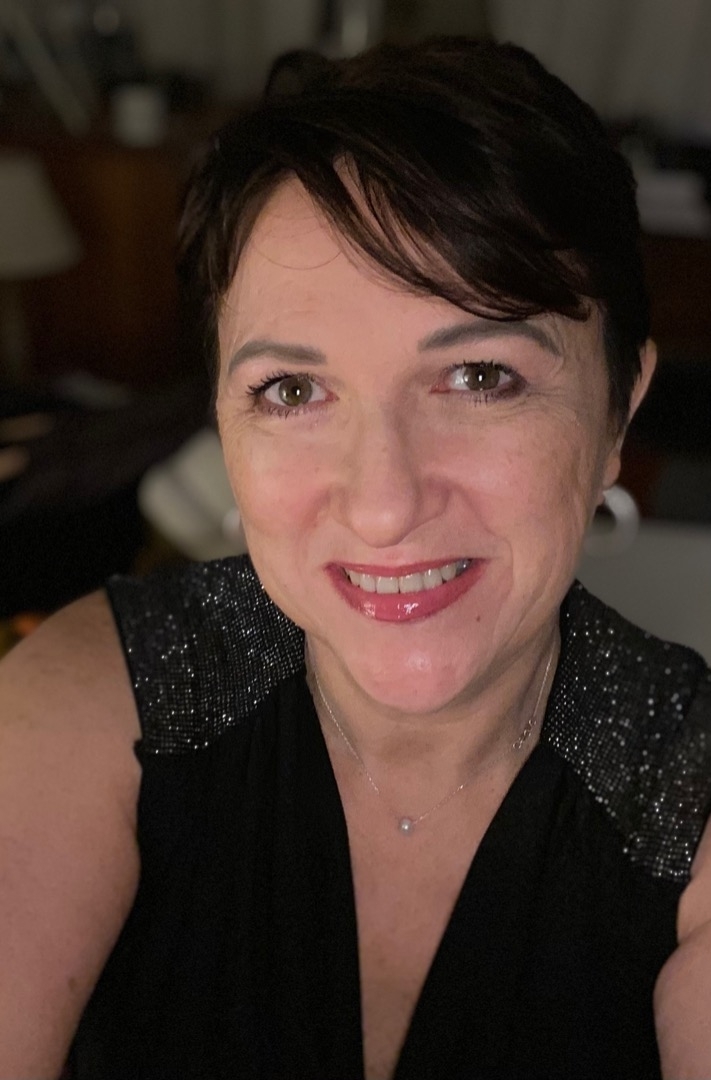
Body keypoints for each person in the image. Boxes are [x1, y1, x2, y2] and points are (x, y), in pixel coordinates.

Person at [0, 36, 710, 1080]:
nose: (382, 505)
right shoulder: (88, 706)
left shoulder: (692, 797)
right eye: (292, 391)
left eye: (479, 377)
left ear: (618, 410)